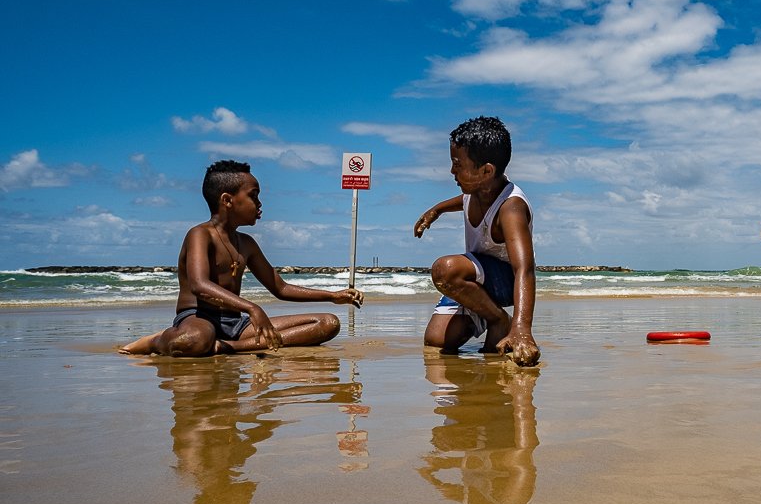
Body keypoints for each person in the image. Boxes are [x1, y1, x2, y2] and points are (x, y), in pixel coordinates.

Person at [120, 160, 363, 356]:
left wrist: (333, 296)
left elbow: (280, 287)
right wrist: (252, 307)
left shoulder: (246, 243)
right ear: (227, 200)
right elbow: (199, 285)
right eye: (253, 196)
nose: (259, 203)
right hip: (197, 319)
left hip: (236, 326)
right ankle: (157, 341)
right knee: (195, 340)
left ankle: (228, 348)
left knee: (328, 324)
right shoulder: (199, 234)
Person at [414, 116, 540, 366]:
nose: (452, 171)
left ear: (486, 171)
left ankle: (501, 321)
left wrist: (522, 327)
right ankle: (492, 317)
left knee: (445, 269)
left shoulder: (510, 207)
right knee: (437, 340)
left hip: (505, 283)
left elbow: (524, 269)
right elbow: (460, 202)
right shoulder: (474, 191)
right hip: (478, 280)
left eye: (457, 165)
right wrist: (436, 210)